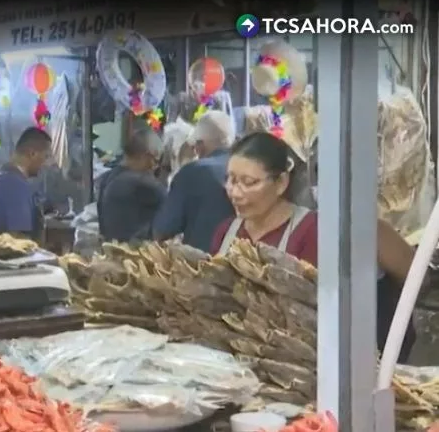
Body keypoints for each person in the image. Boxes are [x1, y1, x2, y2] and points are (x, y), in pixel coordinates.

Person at [210, 132, 416, 362]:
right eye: (230, 180)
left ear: (281, 183)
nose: (235, 192)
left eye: (249, 183)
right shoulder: (225, 231)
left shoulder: (316, 231)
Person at [152, 110, 235, 252]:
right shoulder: (250, 169)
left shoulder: (192, 172)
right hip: (247, 260)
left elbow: (162, 230)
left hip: (203, 261)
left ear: (200, 145)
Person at [97, 128, 166, 242]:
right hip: (139, 251)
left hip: (111, 248)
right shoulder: (144, 183)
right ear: (146, 156)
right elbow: (173, 210)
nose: (155, 167)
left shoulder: (106, 179)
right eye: (156, 160)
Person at [0, 127, 52, 239]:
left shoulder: (0, 179)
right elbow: (18, 240)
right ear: (32, 154)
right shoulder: (14, 185)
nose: (47, 164)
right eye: (46, 157)